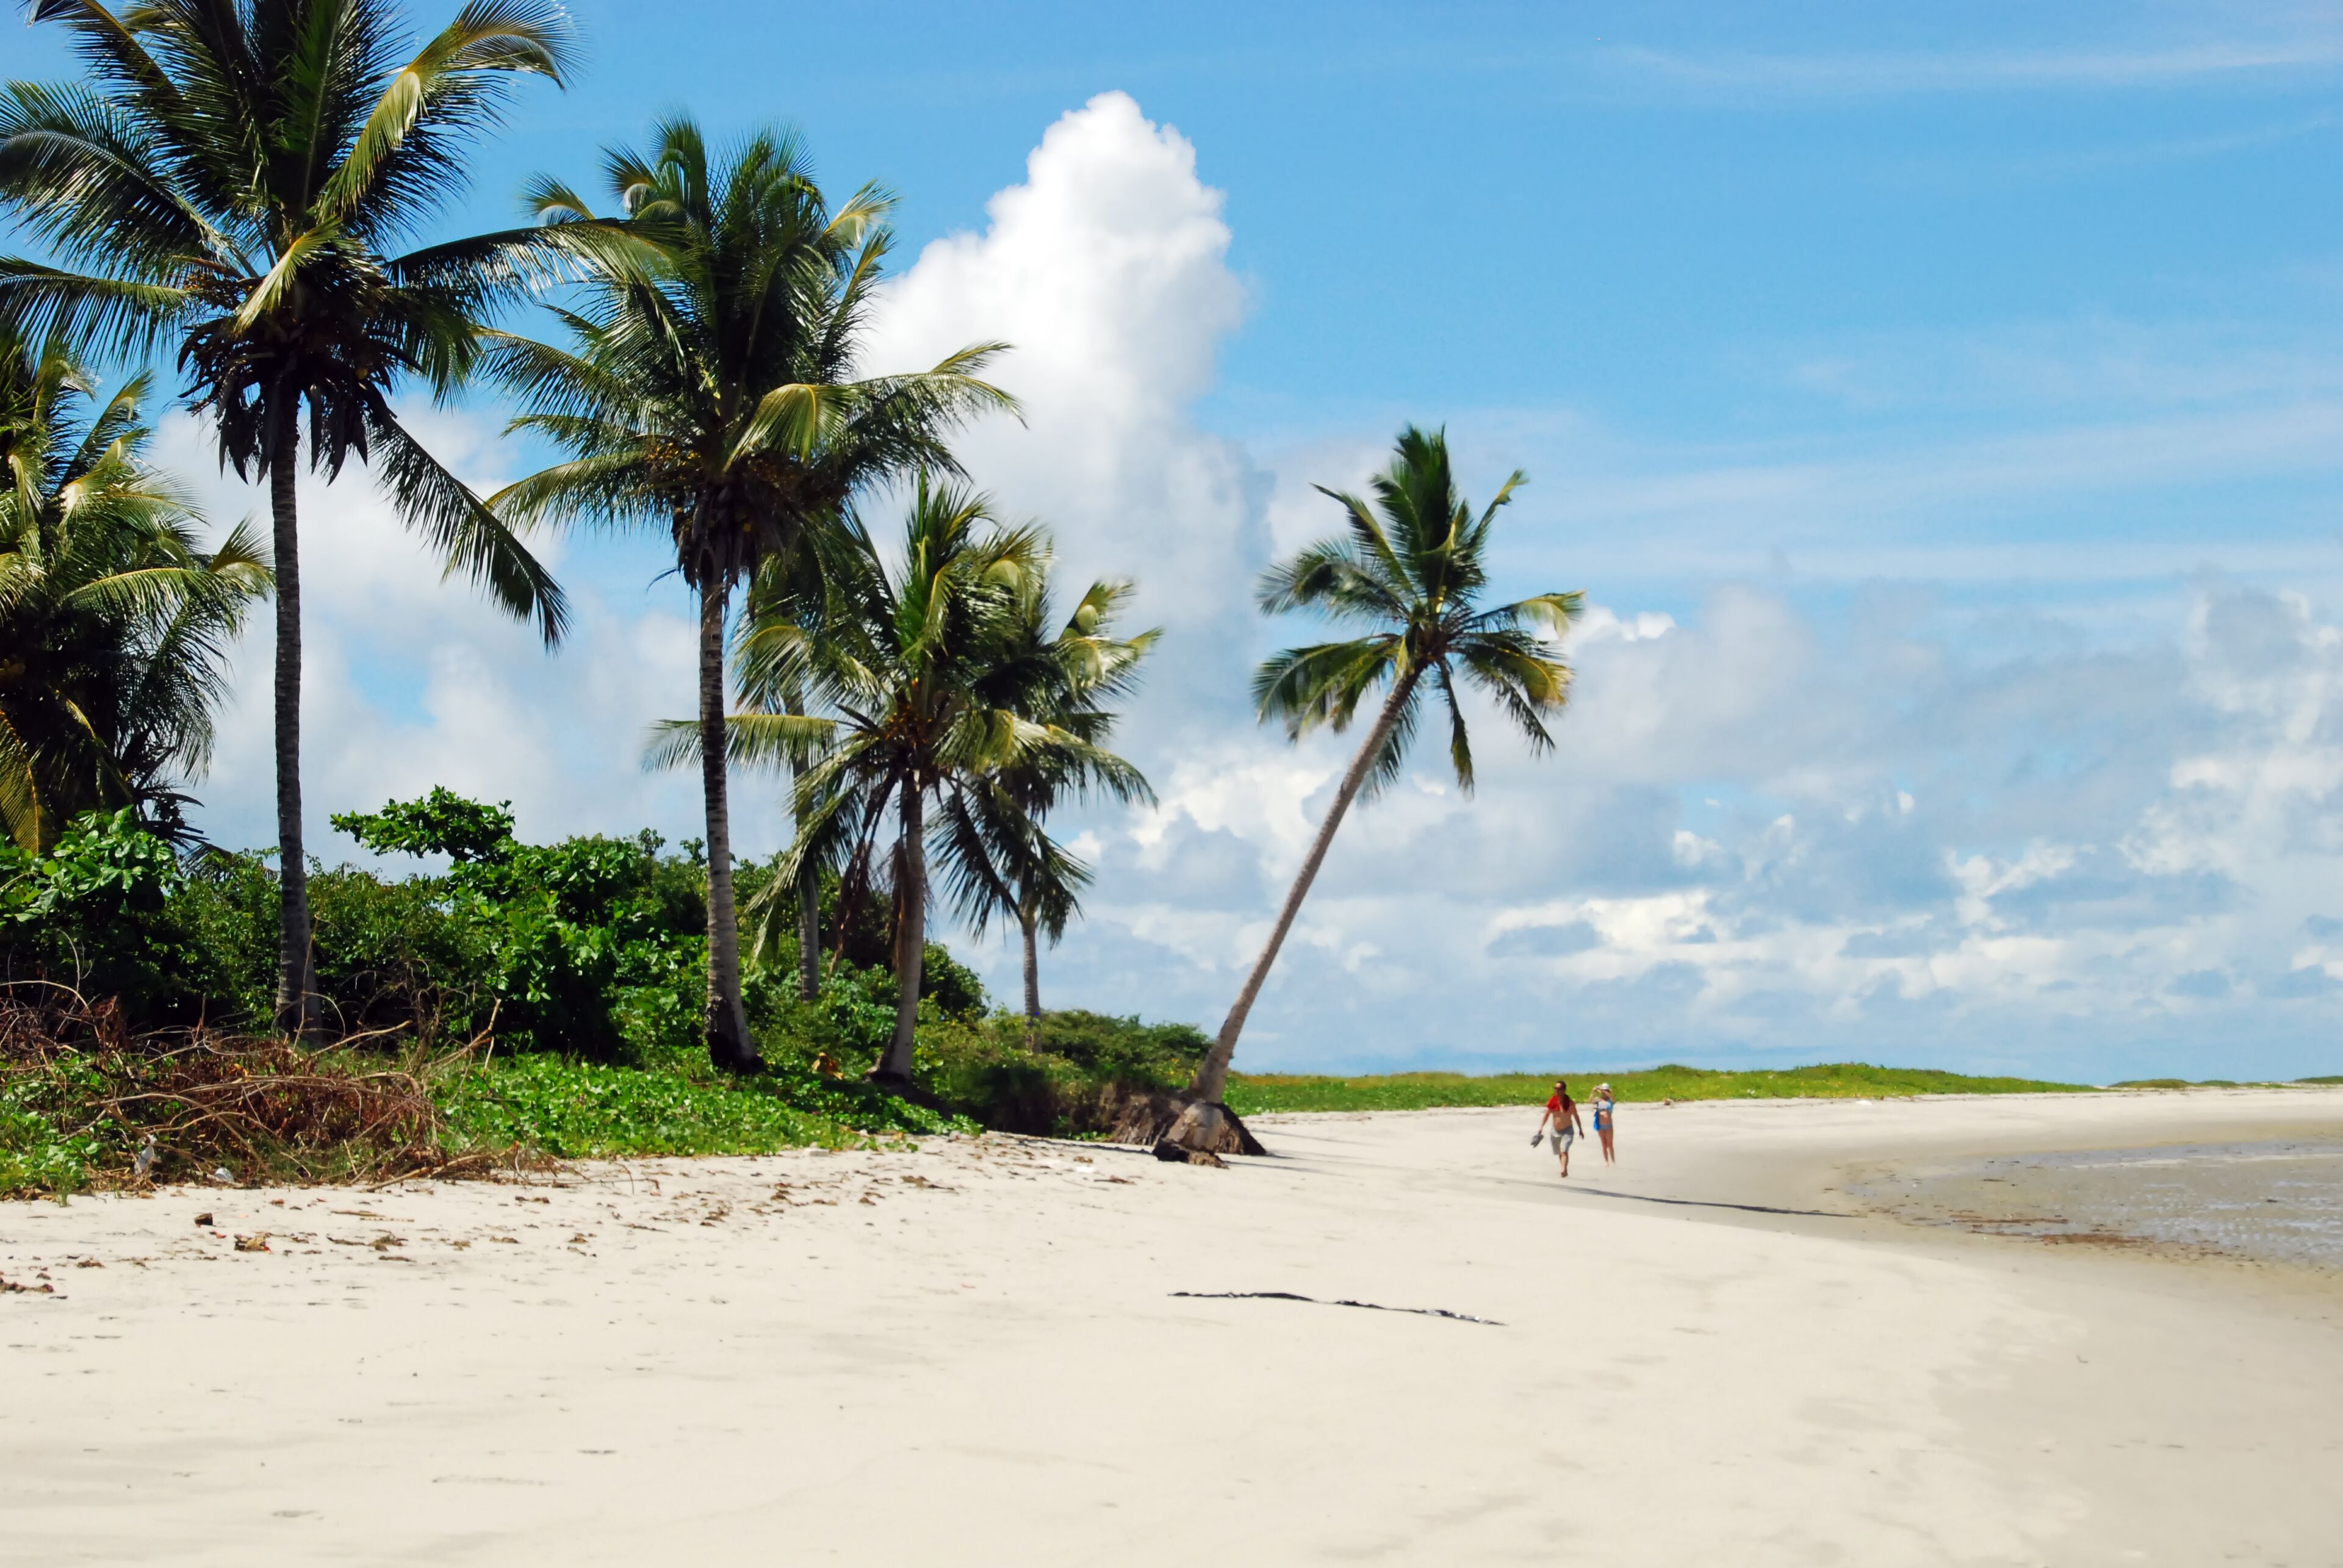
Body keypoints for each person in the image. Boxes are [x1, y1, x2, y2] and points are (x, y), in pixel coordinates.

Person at [1533, 1079, 1585, 1178]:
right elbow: (1547, 1115)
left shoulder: (1570, 1103)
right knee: (1560, 1153)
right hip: (1555, 1131)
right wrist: (1541, 1127)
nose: (1557, 1090)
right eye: (1555, 1088)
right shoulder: (1552, 1102)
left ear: (1564, 1090)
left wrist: (1580, 1129)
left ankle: (1564, 1169)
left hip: (1568, 1130)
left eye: (1559, 1089)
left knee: (1564, 1150)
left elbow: (1576, 1116)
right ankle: (1563, 1167)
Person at [1593, 1083, 1618, 1165]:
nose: (1604, 1093)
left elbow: (1614, 1099)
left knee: (1610, 1145)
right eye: (1603, 1091)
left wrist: (1603, 1091)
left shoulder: (1610, 1101)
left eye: (1606, 1091)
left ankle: (1613, 1161)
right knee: (1604, 1145)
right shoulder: (1598, 1100)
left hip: (1609, 1125)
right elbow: (1590, 1100)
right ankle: (1606, 1162)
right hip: (1601, 1126)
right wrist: (1593, 1092)